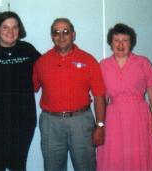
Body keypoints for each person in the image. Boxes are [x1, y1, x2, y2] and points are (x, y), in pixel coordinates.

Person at [33, 18, 106, 171]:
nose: (61, 36)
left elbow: (99, 95)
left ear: (73, 34)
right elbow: (30, 89)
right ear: (52, 36)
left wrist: (100, 125)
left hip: (81, 122)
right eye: (56, 32)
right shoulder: (41, 62)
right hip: (51, 123)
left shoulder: (88, 60)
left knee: (85, 166)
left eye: (66, 32)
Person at [0, 11, 41, 171]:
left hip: (22, 121)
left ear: (19, 30)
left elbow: (46, 72)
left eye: (15, 27)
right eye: (5, 27)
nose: (10, 32)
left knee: (18, 165)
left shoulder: (28, 50)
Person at [97, 23, 152, 171]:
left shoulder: (142, 62)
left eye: (125, 40)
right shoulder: (103, 65)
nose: (120, 44)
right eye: (116, 40)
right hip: (113, 118)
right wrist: (101, 124)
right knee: (114, 156)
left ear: (131, 43)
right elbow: (102, 97)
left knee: (138, 156)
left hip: (138, 116)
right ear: (111, 43)